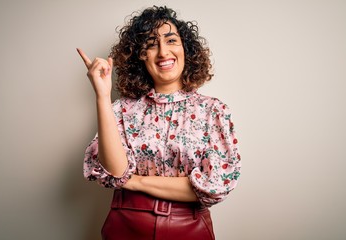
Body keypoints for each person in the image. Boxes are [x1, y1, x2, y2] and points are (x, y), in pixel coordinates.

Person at [77, 6, 241, 240]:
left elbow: (214, 186)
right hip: (126, 224)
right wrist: (102, 95)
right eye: (152, 44)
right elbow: (116, 172)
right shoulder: (122, 109)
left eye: (171, 40)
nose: (163, 52)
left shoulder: (213, 111)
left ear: (186, 49)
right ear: (140, 56)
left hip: (189, 228)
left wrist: (135, 182)